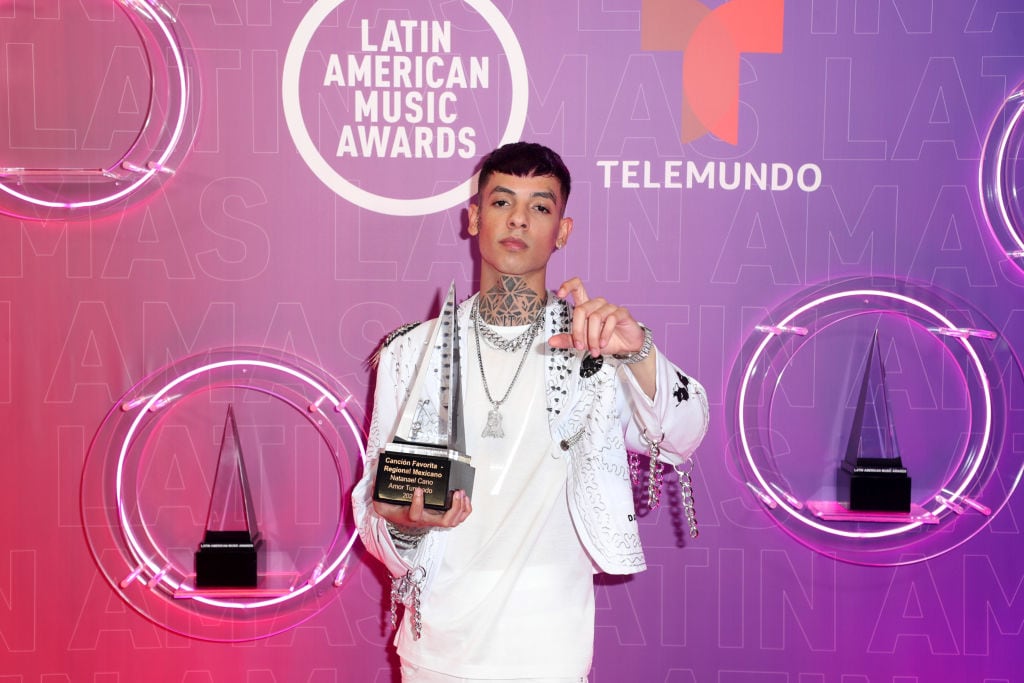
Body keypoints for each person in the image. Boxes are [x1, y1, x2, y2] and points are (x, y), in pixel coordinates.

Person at [353, 142, 708, 682]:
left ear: (563, 230)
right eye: (501, 202)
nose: (518, 218)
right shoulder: (412, 352)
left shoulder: (597, 346)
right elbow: (375, 501)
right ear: (473, 218)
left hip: (550, 653)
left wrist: (638, 352)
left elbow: (685, 435)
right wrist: (406, 525)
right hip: (436, 652)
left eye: (540, 206)